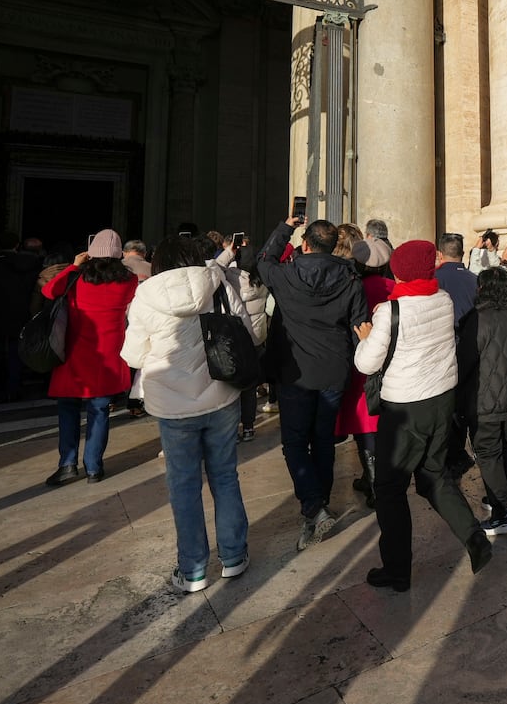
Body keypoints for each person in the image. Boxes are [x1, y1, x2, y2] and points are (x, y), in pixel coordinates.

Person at [353, 240, 492, 591]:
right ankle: (474, 538)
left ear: (399, 270)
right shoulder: (442, 299)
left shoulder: (391, 310)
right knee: (434, 476)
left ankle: (397, 570)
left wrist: (365, 338)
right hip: (441, 400)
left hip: (405, 408)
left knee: (389, 488)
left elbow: (367, 363)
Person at [119, 235, 253, 592]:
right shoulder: (219, 285)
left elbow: (132, 356)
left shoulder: (144, 297)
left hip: (173, 405)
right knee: (225, 477)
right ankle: (234, 556)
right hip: (221, 394)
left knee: (184, 486)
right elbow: (249, 334)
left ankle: (193, 569)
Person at [259, 215, 368, 550]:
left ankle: (313, 505)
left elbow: (263, 260)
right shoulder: (351, 278)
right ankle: (318, 503)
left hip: (297, 374)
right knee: (323, 441)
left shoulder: (286, 274)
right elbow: (360, 325)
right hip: (334, 370)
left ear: (305, 244)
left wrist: (283, 226)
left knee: (294, 443)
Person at [40, 230, 138, 486]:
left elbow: (49, 291)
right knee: (100, 410)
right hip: (109, 352)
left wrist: (73, 265)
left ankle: (67, 464)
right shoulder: (129, 281)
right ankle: (94, 466)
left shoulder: (77, 277)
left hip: (75, 351)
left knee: (68, 409)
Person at [461, 267, 507, 535]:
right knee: (500, 449)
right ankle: (495, 499)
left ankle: (505, 511)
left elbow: (465, 362)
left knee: (489, 454)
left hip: (487, 402)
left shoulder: (478, 319)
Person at [340, 235, 394, 507]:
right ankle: (371, 476)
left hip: (361, 361)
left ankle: (374, 484)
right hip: (389, 363)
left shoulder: (352, 287)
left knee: (364, 423)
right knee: (380, 422)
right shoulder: (394, 287)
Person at [0, 232, 41, 404]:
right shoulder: (32, 264)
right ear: (17, 245)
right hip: (20, 313)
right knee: (16, 353)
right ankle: (13, 390)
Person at [231, 238, 270, 442]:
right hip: (256, 337)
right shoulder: (262, 279)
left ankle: (234, 427)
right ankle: (248, 427)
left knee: (233, 386)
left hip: (237, 338)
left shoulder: (232, 278)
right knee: (250, 387)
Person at [435, 232, 478, 326]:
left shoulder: (434, 279)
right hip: (470, 334)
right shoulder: (476, 280)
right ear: (462, 254)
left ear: (439, 254)